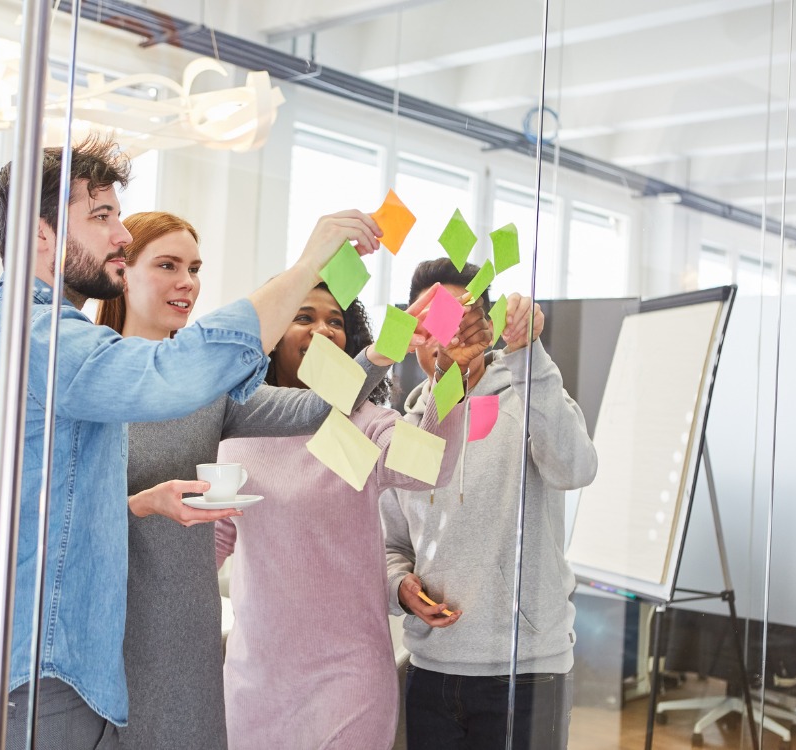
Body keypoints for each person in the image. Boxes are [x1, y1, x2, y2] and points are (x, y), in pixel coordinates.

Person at [0, 133, 383, 749]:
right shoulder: (44, 343)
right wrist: (307, 266)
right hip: (30, 681)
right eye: (101, 217)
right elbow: (171, 376)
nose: (120, 235)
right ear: (40, 236)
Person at [91, 211, 399, 749]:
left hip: (186, 634)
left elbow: (317, 406)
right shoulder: (83, 376)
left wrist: (380, 350)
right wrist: (137, 504)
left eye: (194, 267)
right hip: (97, 621)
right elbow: (45, 513)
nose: (187, 282)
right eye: (168, 265)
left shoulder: (211, 391)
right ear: (122, 272)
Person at [214, 282, 490, 749]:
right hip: (257, 677)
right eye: (304, 317)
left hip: (349, 676)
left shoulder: (361, 421)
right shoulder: (236, 432)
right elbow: (210, 541)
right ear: (274, 336)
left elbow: (427, 468)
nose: (323, 329)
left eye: (336, 322)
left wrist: (449, 377)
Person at [380, 258, 598, 750]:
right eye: (435, 322)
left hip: (526, 669)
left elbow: (576, 468)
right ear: (416, 336)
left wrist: (528, 355)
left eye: (466, 319)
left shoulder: (528, 396)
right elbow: (392, 542)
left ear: (488, 327)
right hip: (431, 669)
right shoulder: (404, 429)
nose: (452, 335)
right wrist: (400, 586)